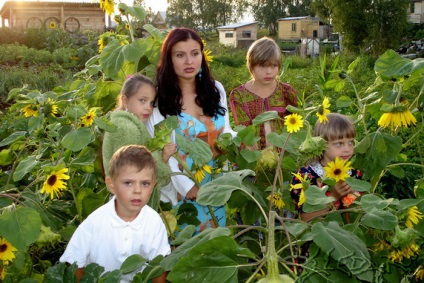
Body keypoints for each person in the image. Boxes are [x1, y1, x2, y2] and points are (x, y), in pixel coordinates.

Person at [146, 27, 236, 232]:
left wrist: (241, 143)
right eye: (180, 55)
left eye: (195, 54)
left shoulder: (216, 89)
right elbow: (160, 151)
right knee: (185, 250)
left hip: (217, 185)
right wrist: (187, 188)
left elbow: (226, 130)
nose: (189, 61)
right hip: (181, 191)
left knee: (215, 248)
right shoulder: (159, 101)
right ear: (169, 60)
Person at [60, 145, 171, 283]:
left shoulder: (153, 221)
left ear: (153, 185)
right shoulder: (95, 222)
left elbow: (159, 266)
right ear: (111, 184)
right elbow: (74, 261)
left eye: (145, 183)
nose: (137, 190)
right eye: (128, 183)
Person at [102, 74, 177, 205]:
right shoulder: (128, 129)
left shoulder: (121, 123)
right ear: (125, 100)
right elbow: (135, 173)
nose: (149, 107)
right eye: (142, 100)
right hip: (131, 204)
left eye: (152, 103)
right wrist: (163, 158)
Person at [290, 113, 362, 222]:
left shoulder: (354, 173)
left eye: (351, 142)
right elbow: (304, 219)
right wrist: (333, 197)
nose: (347, 149)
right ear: (321, 144)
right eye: (339, 144)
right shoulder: (307, 176)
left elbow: (361, 209)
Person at [229, 37, 298, 150]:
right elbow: (244, 131)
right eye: (262, 66)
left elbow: (294, 128)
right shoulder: (239, 95)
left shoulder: (287, 92)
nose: (269, 71)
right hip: (253, 160)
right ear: (251, 65)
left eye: (274, 66)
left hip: (284, 159)